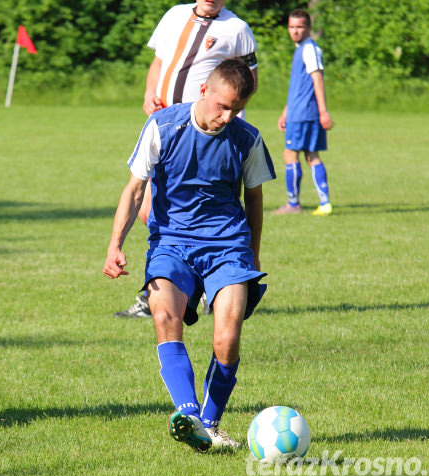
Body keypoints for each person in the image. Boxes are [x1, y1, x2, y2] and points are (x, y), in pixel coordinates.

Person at [103, 59, 275, 452]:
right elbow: (133, 190)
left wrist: (252, 254)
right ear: (204, 91)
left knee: (227, 339)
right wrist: (115, 245)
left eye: (236, 109)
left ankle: (210, 426)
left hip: (227, 246)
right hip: (171, 243)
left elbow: (255, 198)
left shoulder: (246, 138)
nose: (227, 116)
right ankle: (189, 412)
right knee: (165, 315)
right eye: (223, 106)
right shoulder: (163, 126)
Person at [115, 0, 258, 318]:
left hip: (208, 137)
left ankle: (207, 285)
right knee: (151, 211)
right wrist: (149, 92)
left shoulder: (236, 29)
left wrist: (230, 126)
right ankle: (171, 286)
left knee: (200, 215)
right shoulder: (174, 15)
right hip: (167, 133)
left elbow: (249, 81)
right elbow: (159, 62)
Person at [273, 8, 334, 216]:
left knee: (290, 154)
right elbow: (300, 87)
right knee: (311, 156)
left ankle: (293, 204)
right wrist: (285, 113)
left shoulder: (309, 49)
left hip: (304, 115)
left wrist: (323, 111)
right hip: (299, 113)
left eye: (300, 27)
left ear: (308, 28)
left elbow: (317, 79)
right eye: (292, 27)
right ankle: (324, 203)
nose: (295, 31)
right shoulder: (302, 49)